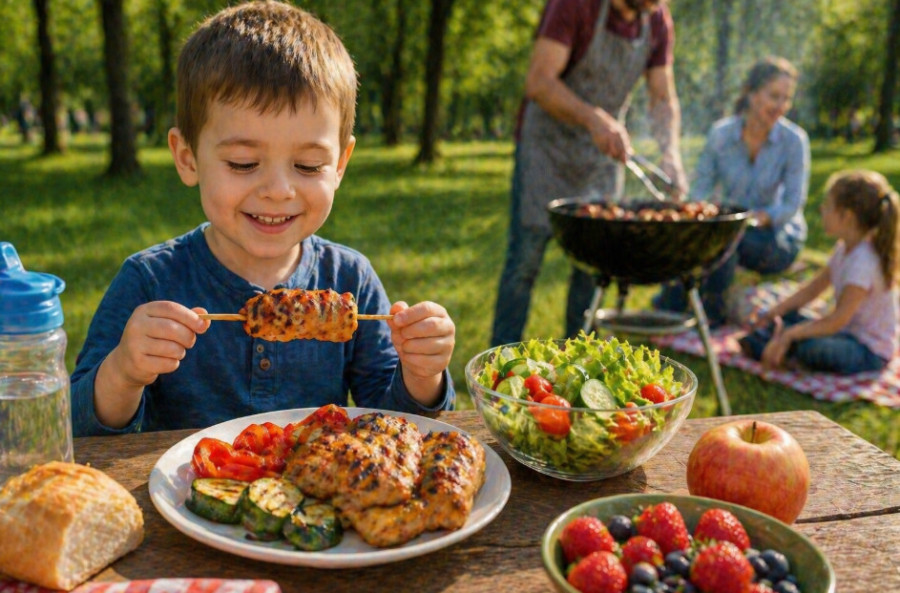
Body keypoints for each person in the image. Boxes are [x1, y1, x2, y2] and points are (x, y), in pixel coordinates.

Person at [70, 1, 456, 436]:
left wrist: (423, 375)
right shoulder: (148, 281)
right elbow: (77, 425)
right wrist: (123, 373)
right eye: (242, 162)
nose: (278, 190)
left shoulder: (351, 278)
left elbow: (390, 424)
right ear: (187, 157)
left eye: (308, 166)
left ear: (341, 165)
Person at [490, 0, 687, 347]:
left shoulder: (656, 18)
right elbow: (539, 81)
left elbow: (662, 97)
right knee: (524, 263)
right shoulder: (573, 5)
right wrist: (594, 118)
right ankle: (500, 359)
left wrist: (670, 151)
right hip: (546, 150)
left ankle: (579, 363)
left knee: (594, 268)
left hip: (601, 156)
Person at [654, 56, 810, 327]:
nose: (781, 106)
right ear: (751, 93)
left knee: (728, 239)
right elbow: (701, 186)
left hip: (776, 238)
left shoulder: (794, 141)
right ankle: (674, 306)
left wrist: (761, 218)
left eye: (786, 98)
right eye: (774, 96)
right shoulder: (721, 134)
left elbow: (792, 204)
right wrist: (699, 211)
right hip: (732, 227)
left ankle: (709, 316)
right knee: (701, 234)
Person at [739, 170, 899, 374]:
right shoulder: (844, 248)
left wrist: (791, 335)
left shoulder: (863, 263)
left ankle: (776, 348)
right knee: (788, 318)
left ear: (846, 216)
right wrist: (775, 312)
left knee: (812, 349)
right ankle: (775, 344)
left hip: (866, 350)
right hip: (842, 332)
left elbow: (836, 321)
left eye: (828, 206)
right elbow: (812, 290)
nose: (822, 209)